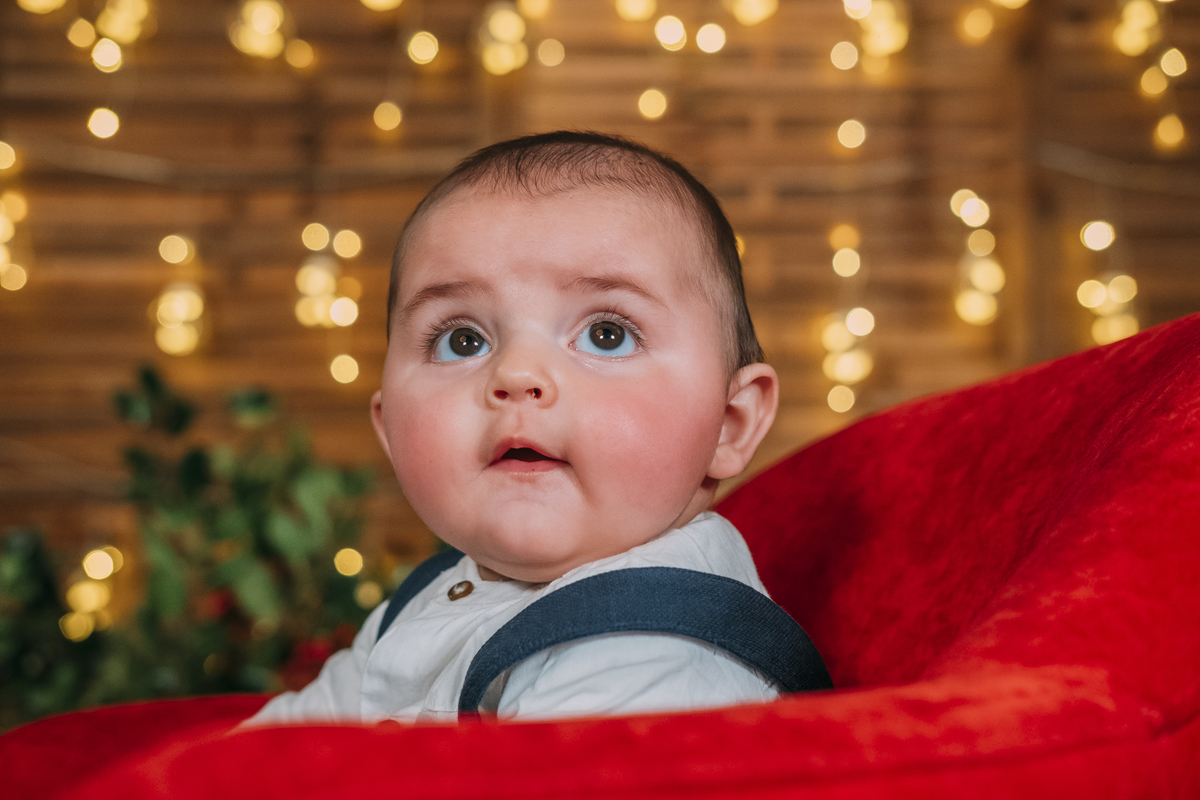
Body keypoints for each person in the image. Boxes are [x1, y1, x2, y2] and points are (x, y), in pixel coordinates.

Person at [247, 130, 823, 726]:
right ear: (389, 427)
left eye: (607, 334)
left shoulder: (651, 656)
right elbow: (269, 748)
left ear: (728, 424)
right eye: (461, 340)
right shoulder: (433, 595)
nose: (517, 374)